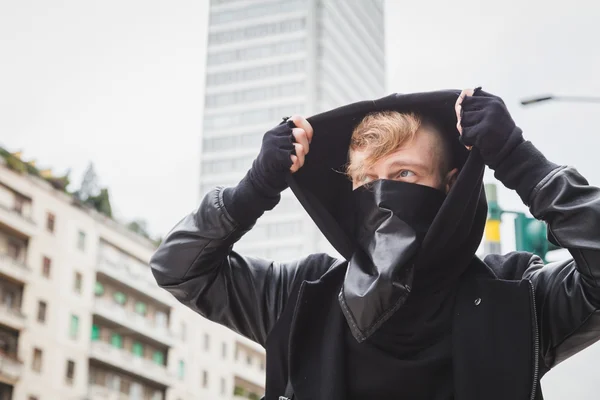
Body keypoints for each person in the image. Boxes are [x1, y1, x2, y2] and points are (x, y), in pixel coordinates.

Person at [150, 88, 600, 400]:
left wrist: (519, 159)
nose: (382, 196)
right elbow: (178, 268)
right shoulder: (301, 295)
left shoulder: (519, 296)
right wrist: (251, 190)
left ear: (451, 185)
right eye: (365, 180)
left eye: (404, 175)